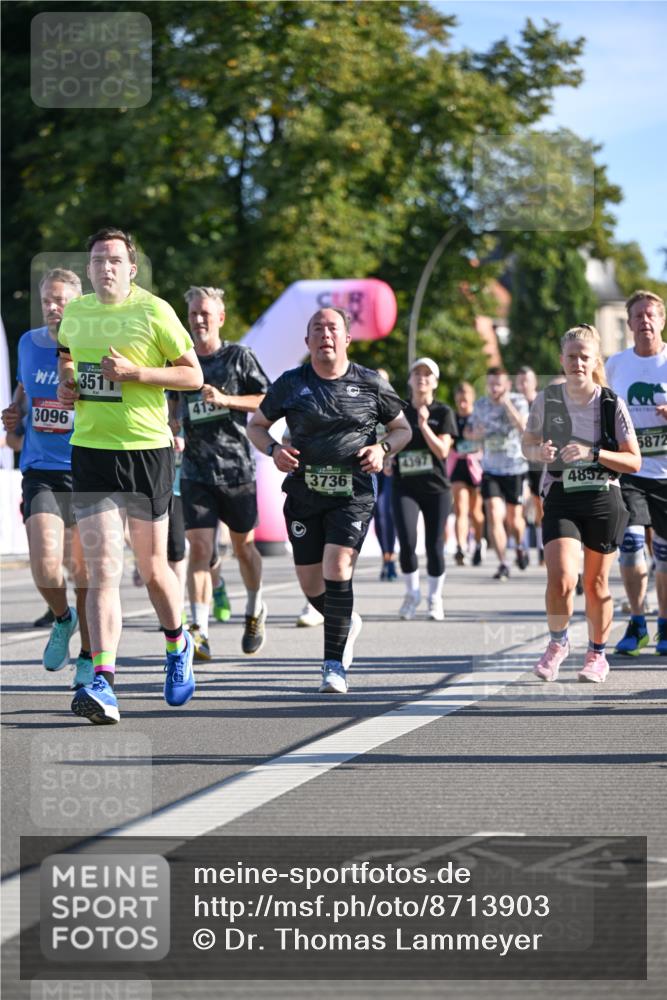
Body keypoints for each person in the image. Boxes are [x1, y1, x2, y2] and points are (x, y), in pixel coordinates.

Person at [57, 227, 203, 724]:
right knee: (102, 569)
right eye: (97, 260)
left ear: (131, 267)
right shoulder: (76, 314)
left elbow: (193, 375)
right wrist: (68, 389)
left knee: (153, 569)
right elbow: (67, 363)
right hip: (92, 449)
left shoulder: (155, 311)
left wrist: (138, 374)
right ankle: (104, 680)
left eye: (115, 260)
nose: (105, 268)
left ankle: (177, 642)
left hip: (146, 450)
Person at [247, 307, 411, 693]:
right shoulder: (290, 383)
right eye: (317, 329)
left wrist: (382, 448)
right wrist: (273, 451)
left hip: (351, 494)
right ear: (307, 342)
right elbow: (256, 426)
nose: (325, 334)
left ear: (347, 339)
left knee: (337, 567)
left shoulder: (370, 383)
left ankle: (333, 665)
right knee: (310, 582)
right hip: (304, 494)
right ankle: (346, 620)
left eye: (333, 328)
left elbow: (402, 428)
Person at [522, 324, 640, 683]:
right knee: (561, 577)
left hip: (603, 497)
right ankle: (558, 643)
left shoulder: (609, 403)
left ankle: (597, 654)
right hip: (561, 494)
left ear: (594, 361)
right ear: (562, 360)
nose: (577, 362)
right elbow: (527, 443)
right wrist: (538, 451)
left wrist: (594, 452)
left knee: (596, 584)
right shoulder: (548, 399)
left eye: (583, 357)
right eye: (571, 356)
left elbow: (633, 461)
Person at [2, 268, 93, 688]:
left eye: (61, 300)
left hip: (87, 466)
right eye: (47, 302)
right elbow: (23, 390)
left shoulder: (93, 342)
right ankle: (62, 619)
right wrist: (15, 413)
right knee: (44, 566)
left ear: (78, 303)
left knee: (85, 574)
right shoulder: (28, 342)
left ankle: (90, 659)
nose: (54, 308)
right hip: (41, 469)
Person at [171, 285, 270, 660]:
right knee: (199, 549)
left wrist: (226, 400)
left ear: (220, 318)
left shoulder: (238, 357)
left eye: (205, 314)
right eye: (193, 313)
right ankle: (199, 630)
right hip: (195, 471)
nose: (198, 320)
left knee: (244, 549)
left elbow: (267, 399)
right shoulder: (179, 362)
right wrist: (172, 427)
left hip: (236, 470)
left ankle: (255, 607)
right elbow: (172, 407)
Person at [606, 290, 667, 656]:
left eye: (651, 315)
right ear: (628, 324)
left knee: (663, 553)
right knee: (630, 546)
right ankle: (637, 622)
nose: (644, 321)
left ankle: (664, 626)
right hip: (630, 470)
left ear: (661, 321)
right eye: (638, 316)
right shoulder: (616, 365)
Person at [392, 357, 457, 621]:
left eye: (427, 374)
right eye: (417, 373)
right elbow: (390, 441)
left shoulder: (443, 412)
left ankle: (434, 598)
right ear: (410, 380)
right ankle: (412, 594)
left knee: (434, 544)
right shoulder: (398, 411)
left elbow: (442, 451)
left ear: (435, 382)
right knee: (407, 542)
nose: (422, 378)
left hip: (436, 488)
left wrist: (423, 426)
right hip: (404, 485)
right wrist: (387, 458)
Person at [467, 367, 529, 580]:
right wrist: (477, 434)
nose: (494, 389)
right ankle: (503, 562)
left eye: (498, 384)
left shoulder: (518, 400)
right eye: (491, 384)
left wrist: (506, 404)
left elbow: (523, 427)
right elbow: (470, 432)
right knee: (493, 513)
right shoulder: (481, 405)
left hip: (515, 467)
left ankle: (520, 545)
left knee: (515, 520)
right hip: (491, 468)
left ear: (507, 385)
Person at [447, 381, 485, 567]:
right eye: (459, 400)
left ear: (472, 400)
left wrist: (477, 436)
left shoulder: (478, 418)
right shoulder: (452, 418)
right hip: (458, 465)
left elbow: (487, 439)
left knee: (475, 512)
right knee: (460, 509)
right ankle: (460, 547)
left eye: (466, 401)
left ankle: (478, 544)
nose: (462, 404)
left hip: (476, 467)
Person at [515, 365, 545, 565]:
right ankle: (522, 547)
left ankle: (542, 548)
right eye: (521, 381)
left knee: (539, 504)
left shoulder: (542, 402)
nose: (524, 384)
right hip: (515, 461)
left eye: (528, 380)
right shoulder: (512, 402)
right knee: (520, 505)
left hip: (536, 460)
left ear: (534, 383)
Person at [374, 367, 398, 581]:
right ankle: (385, 557)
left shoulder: (393, 404)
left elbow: (401, 433)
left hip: (388, 467)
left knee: (385, 512)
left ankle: (390, 559)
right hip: (369, 468)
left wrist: (390, 458)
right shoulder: (363, 403)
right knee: (377, 516)